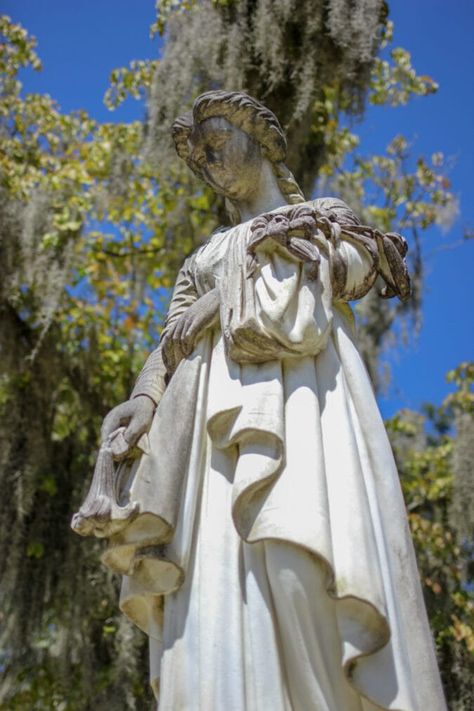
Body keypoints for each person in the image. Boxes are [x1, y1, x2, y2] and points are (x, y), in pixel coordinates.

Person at [95, 91, 446, 709]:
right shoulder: (201, 257)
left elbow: (354, 267)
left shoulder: (321, 215)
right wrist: (145, 398)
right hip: (205, 430)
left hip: (302, 394)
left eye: (217, 142)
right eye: (199, 156)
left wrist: (230, 294)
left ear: (262, 141)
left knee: (300, 559)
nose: (208, 160)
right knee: (210, 591)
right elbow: (171, 341)